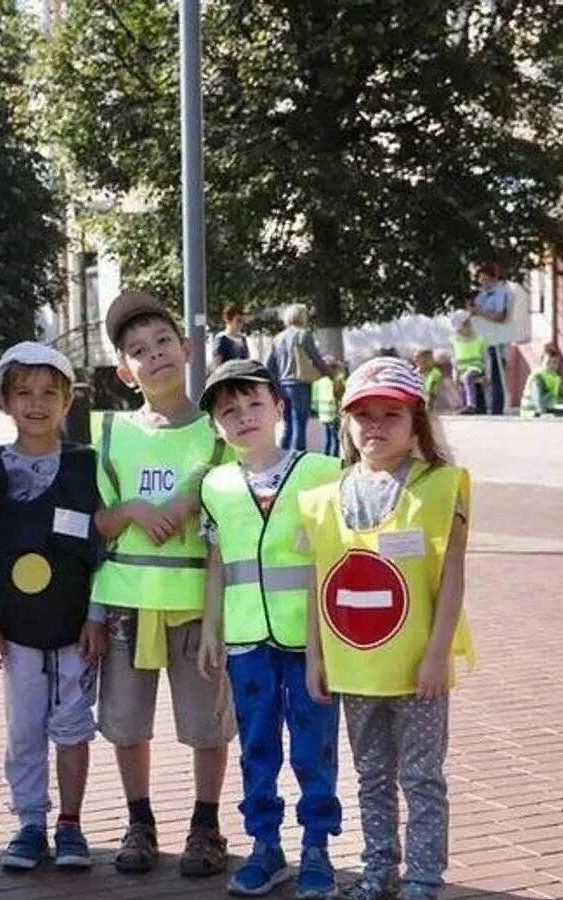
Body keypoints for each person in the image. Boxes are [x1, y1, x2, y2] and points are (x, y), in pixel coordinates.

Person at [298, 357, 476, 900]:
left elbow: (451, 579)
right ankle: (378, 871)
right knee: (371, 778)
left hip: (416, 666)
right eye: (363, 414)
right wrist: (315, 656)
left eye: (390, 414)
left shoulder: (442, 487)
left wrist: (438, 653)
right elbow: (318, 580)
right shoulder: (327, 495)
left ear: (415, 421)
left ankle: (422, 877)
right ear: (345, 422)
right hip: (356, 668)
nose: (375, 425)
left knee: (421, 778)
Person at [91, 290, 235, 878]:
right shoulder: (111, 434)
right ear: (126, 371)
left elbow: (226, 533)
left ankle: (206, 825)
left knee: (207, 724)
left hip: (195, 609)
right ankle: (139, 820)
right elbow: (94, 527)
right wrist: (130, 511)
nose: (154, 356)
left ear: (187, 348)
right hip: (126, 607)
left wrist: (217, 623)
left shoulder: (218, 434)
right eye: (138, 351)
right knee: (126, 722)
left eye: (163, 343)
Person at [195, 359, 343, 899]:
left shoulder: (322, 473)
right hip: (244, 639)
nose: (243, 417)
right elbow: (216, 560)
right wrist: (212, 626)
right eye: (228, 410)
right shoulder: (215, 485)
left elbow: (341, 555)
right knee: (257, 745)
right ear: (216, 424)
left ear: (280, 408)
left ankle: (318, 848)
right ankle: (265, 846)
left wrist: (329, 643)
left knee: (313, 746)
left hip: (311, 642)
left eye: (255, 404)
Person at [0, 341, 105, 872]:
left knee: (72, 722)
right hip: (18, 628)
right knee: (24, 726)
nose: (37, 404)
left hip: (73, 623)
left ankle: (70, 823)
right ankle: (29, 822)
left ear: (68, 402)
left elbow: (100, 549)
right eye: (24, 393)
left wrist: (96, 614)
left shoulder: (86, 468)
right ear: (5, 400)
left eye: (50, 393)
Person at [265, 304, 334, 451]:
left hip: (282, 386)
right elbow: (316, 359)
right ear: (302, 316)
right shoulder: (303, 335)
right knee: (299, 425)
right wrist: (330, 374)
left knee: (288, 426)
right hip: (300, 384)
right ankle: (297, 460)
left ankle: (282, 459)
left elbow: (268, 366)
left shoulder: (277, 338)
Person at [469, 262, 517, 415]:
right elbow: (474, 311)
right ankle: (480, 408)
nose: (483, 284)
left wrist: (480, 312)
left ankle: (497, 410)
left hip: (497, 339)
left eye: (485, 280)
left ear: (494, 279)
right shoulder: (482, 294)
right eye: (481, 280)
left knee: (497, 375)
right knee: (478, 373)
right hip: (482, 339)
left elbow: (500, 316)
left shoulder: (502, 293)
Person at [448, 311, 486, 414]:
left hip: (476, 368)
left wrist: (488, 374)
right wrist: (454, 373)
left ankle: (471, 405)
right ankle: (466, 406)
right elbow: (454, 359)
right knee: (462, 382)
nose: (468, 327)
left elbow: (485, 358)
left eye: (468, 324)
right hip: (461, 370)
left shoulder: (478, 339)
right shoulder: (454, 341)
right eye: (464, 325)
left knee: (467, 376)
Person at [519, 344, 563, 418]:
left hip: (546, 409)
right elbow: (537, 400)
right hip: (531, 412)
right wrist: (545, 414)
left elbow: (561, 398)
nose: (551, 365)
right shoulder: (538, 377)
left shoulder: (556, 378)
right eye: (548, 362)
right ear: (542, 362)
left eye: (555, 362)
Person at [311, 357, 344, 458]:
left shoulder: (317, 383)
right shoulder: (336, 381)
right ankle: (333, 460)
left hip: (323, 416)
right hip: (333, 414)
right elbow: (340, 396)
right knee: (335, 440)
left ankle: (325, 458)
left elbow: (314, 403)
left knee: (328, 439)